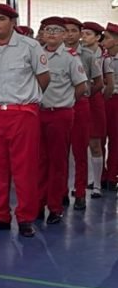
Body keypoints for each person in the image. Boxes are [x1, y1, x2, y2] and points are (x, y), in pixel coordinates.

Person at [0, 3, 49, 238]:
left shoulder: (30, 47)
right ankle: (0, 215)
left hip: (23, 113)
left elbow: (44, 78)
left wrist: (26, 100)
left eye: (1, 19)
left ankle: (26, 217)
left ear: (12, 22)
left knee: (24, 167)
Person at [38, 17, 87, 225]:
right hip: (38, 113)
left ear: (64, 36)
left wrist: (65, 102)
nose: (51, 34)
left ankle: (55, 207)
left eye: (57, 31)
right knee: (39, 162)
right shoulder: (36, 55)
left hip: (60, 113)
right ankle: (38, 205)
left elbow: (81, 87)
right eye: (48, 30)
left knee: (58, 161)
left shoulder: (70, 58)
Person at [63, 17, 103, 210]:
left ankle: (80, 193)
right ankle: (60, 191)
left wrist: (84, 95)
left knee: (80, 151)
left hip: (80, 105)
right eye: (66, 30)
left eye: (73, 31)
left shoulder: (88, 56)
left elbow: (99, 83)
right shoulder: (52, 53)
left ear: (79, 34)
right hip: (60, 106)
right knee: (60, 152)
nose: (69, 34)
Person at [81, 21, 107, 196]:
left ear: (98, 37)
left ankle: (97, 184)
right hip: (79, 99)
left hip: (95, 99)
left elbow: (103, 82)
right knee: (78, 143)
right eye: (83, 33)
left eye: (88, 34)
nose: (84, 37)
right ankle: (85, 181)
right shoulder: (78, 54)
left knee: (95, 142)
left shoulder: (103, 57)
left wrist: (90, 90)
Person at [102, 23, 118, 190]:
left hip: (116, 100)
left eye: (106, 38)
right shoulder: (101, 57)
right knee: (98, 138)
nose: (103, 40)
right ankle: (101, 174)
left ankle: (112, 175)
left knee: (115, 139)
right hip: (102, 99)